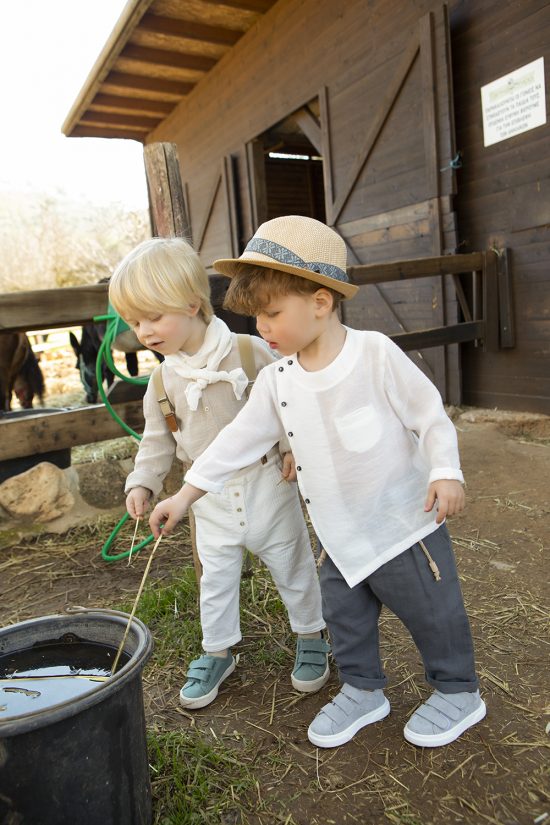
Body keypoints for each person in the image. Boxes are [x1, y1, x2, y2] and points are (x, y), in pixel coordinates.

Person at [148, 216, 487, 749]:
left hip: (403, 527)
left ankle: (458, 691)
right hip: (337, 535)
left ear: (322, 302)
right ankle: (362, 689)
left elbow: (429, 415)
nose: (261, 327)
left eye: (273, 313)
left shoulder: (373, 355)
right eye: (257, 315)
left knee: (432, 612)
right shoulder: (278, 381)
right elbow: (235, 442)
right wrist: (185, 495)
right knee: (344, 617)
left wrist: (445, 470)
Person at [109, 236, 329, 710]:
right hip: (204, 497)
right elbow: (157, 439)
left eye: (153, 316)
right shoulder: (163, 380)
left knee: (292, 563)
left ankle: (311, 634)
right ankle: (218, 650)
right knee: (216, 578)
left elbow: (288, 402)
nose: (143, 331)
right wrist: (143, 481)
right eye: (134, 322)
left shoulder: (250, 353)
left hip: (267, 481)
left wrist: (291, 446)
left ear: (192, 305)